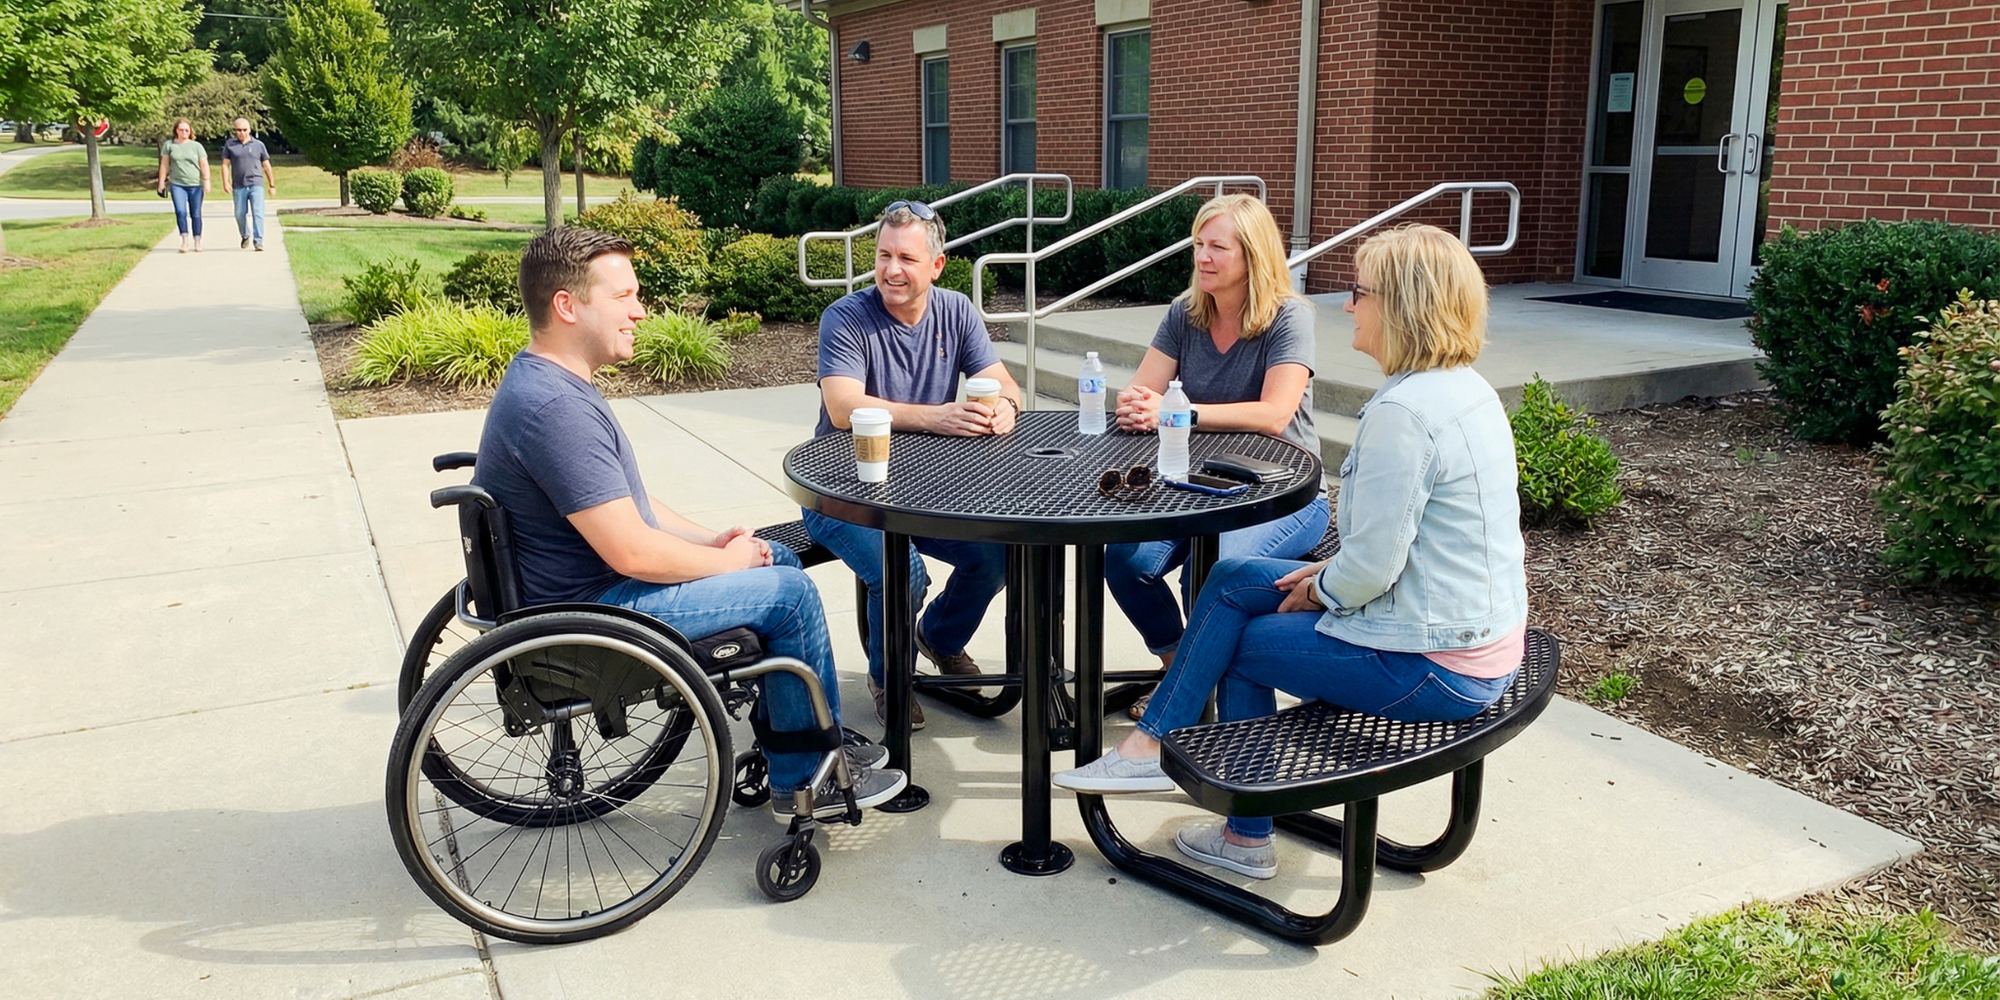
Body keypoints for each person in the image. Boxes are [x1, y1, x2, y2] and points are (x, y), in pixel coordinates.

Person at [1053, 224, 1527, 881]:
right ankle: (1150, 746)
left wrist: (1323, 587)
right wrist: (1327, 574)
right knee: (1232, 578)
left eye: (1361, 292)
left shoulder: (1405, 415)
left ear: (1403, 305)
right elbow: (1411, 544)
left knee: (1235, 644)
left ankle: (1245, 836)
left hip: (1439, 664)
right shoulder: (1464, 389)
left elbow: (1372, 568)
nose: (1349, 305)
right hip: (1470, 636)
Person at [473, 226, 906, 822]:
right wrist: (726, 563)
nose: (639, 310)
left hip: (584, 590)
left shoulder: (548, 383)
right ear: (567, 306)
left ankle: (794, 735)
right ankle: (807, 778)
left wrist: (710, 540)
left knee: (776, 556)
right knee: (790, 592)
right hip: (594, 613)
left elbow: (628, 503)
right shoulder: (556, 409)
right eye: (623, 296)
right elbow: (632, 552)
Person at [1108, 194, 1330, 719]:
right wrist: (1135, 404)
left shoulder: (1289, 317)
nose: (1202, 257)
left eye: (1218, 247)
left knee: (1210, 571)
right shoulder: (1185, 313)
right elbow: (1146, 390)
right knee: (1124, 558)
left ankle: (1189, 697)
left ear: (1253, 256)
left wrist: (1178, 413)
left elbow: (1274, 414)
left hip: (1282, 494)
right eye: (1198, 245)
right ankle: (1181, 670)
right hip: (1195, 485)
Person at [807, 200, 1020, 729]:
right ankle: (889, 679)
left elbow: (1005, 383)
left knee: (1000, 554)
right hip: (841, 493)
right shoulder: (846, 317)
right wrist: (936, 417)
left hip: (925, 493)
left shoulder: (956, 312)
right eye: (884, 256)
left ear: (937, 265)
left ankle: (940, 638)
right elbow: (843, 407)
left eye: (906, 258)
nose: (891, 270)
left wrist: (1005, 409)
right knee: (902, 573)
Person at [220, 118, 276, 251]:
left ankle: (258, 241)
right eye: (238, 130)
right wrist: (225, 181)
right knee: (239, 213)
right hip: (239, 185)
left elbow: (266, 165)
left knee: (258, 213)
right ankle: (245, 234)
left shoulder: (258, 145)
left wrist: (272, 185)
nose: (242, 132)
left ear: (249, 130)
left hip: (256, 183)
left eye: (244, 130)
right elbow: (225, 164)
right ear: (235, 131)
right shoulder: (230, 145)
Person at [155, 120, 210, 253]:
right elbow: (164, 164)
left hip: (195, 184)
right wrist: (161, 182)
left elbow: (204, 164)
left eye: (186, 130)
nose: (184, 132)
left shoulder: (196, 146)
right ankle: (184, 240)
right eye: (181, 130)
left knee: (195, 213)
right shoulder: (169, 145)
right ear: (176, 131)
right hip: (177, 184)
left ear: (190, 131)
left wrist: (207, 180)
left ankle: (197, 240)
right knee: (180, 211)